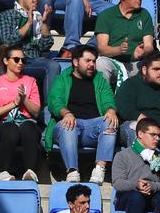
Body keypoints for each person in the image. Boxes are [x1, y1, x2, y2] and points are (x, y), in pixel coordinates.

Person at [46, 45, 120, 187]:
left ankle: (99, 169)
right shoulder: (62, 79)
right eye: (87, 61)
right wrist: (66, 113)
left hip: (93, 126)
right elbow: (54, 101)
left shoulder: (99, 80)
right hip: (69, 125)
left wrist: (110, 109)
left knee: (110, 121)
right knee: (68, 125)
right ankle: (72, 171)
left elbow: (108, 99)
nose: (92, 64)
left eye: (93, 61)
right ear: (75, 62)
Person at [0, 0, 58, 102]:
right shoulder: (6, 15)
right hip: (14, 61)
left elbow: (45, 46)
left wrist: (44, 23)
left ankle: (50, 115)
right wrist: (28, 23)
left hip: (35, 60)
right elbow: (8, 41)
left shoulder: (37, 17)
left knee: (53, 66)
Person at [0, 44, 44, 181]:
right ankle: (3, 171)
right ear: (6, 61)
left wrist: (24, 99)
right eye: (16, 59)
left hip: (26, 122)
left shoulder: (31, 81)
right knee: (10, 128)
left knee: (28, 127)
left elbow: (36, 111)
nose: (20, 63)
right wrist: (14, 103)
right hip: (1, 124)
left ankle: (30, 172)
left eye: (23, 60)